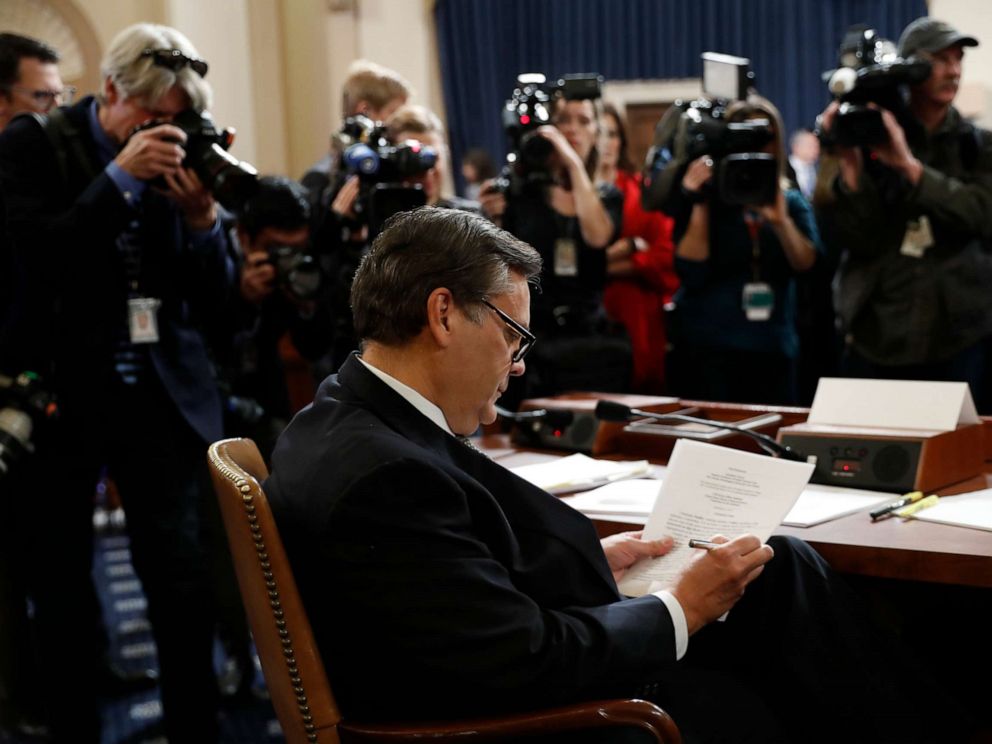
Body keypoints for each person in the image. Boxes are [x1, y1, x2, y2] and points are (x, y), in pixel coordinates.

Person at [265, 207, 972, 744]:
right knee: (784, 671)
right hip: (540, 717)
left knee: (778, 566)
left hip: (489, 672)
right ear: (443, 313)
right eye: (513, 335)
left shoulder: (332, 417)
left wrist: (596, 562)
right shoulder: (386, 474)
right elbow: (521, 659)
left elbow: (445, 594)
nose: (518, 365)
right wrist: (683, 608)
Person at [0, 23, 233, 742]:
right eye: (148, 117)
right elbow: (39, 262)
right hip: (65, 394)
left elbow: (216, 308)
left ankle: (197, 728)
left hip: (160, 396)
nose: (162, 132)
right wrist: (120, 178)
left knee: (180, 581)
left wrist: (202, 225)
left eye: (173, 120)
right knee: (62, 583)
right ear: (109, 93)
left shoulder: (182, 154)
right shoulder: (35, 145)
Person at [814, 17, 992, 411]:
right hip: (879, 334)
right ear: (911, 68)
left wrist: (908, 167)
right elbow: (856, 239)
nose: (954, 70)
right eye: (940, 60)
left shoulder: (978, 145)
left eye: (958, 59)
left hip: (961, 333)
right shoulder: (868, 133)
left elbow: (981, 214)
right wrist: (851, 168)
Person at [667, 94, 820, 405]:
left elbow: (808, 265)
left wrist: (780, 222)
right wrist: (701, 201)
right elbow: (689, 269)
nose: (753, 150)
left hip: (772, 346)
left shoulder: (789, 201)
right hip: (711, 346)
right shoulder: (707, 199)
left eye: (762, 139)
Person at [480, 90, 629, 399]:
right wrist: (492, 215)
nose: (572, 129)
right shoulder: (524, 192)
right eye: (563, 120)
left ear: (596, 132)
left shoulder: (606, 195)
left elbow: (597, 235)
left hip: (588, 336)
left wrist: (573, 164)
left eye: (583, 121)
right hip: (534, 335)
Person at [597, 102, 677, 393]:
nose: (606, 143)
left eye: (613, 134)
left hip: (638, 318)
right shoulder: (566, 195)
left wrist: (600, 266)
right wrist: (626, 249)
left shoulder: (641, 192)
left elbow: (664, 257)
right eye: (600, 133)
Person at [787, 128, 819, 201]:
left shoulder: (818, 170)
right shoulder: (785, 169)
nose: (816, 150)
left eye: (817, 146)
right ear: (796, 147)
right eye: (811, 145)